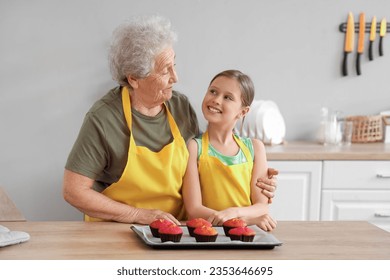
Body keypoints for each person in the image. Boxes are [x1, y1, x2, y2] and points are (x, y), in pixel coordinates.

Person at [62, 15, 277, 225]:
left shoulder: (180, 106)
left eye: (174, 65)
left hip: (175, 229)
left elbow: (205, 163)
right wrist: (137, 214)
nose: (176, 77)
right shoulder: (104, 118)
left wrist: (257, 180)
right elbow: (74, 191)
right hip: (117, 229)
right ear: (134, 79)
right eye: (166, 71)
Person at [183, 70, 276, 231]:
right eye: (213, 91)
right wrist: (245, 220)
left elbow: (262, 206)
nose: (216, 100)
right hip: (208, 235)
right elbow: (194, 210)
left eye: (228, 97)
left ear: (243, 112)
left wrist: (233, 213)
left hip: (246, 235)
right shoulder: (194, 147)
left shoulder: (255, 148)